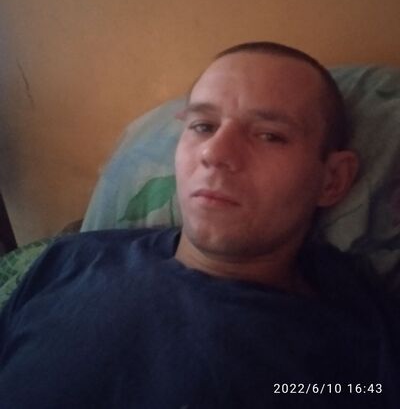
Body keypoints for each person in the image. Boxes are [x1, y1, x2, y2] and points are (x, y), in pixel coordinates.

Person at [0, 42, 398, 408]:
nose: (214, 152)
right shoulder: (68, 259)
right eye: (203, 126)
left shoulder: (356, 350)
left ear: (332, 180)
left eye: (269, 135)